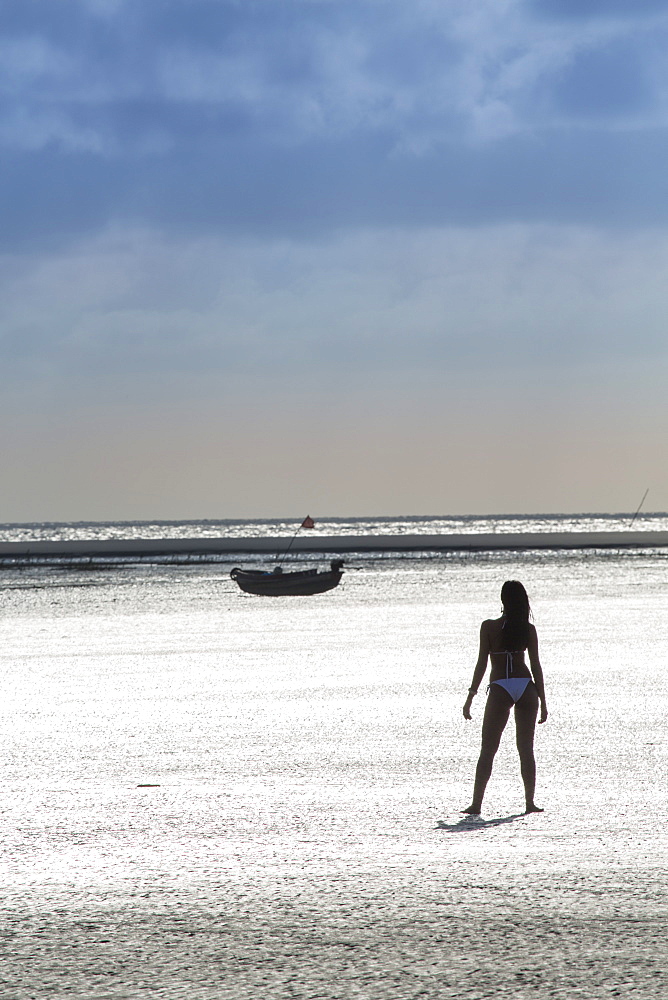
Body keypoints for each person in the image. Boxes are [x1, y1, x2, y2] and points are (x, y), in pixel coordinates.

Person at [462, 580, 548, 815]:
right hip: (526, 687)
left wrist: (471, 695)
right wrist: (543, 701)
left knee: (488, 750)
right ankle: (529, 803)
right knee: (526, 749)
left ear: (502, 600)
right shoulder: (527, 629)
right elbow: (536, 665)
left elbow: (482, 662)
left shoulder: (489, 627)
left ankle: (477, 804)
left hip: (500, 686)